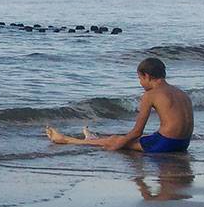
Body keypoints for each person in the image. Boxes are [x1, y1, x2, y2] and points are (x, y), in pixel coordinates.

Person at [45, 57, 194, 153]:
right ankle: (95, 138)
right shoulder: (181, 93)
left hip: (165, 145)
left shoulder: (150, 95)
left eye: (139, 78)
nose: (140, 83)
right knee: (130, 138)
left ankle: (66, 139)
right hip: (183, 144)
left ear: (146, 76)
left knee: (116, 140)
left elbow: (137, 132)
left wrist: (117, 144)